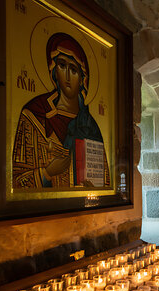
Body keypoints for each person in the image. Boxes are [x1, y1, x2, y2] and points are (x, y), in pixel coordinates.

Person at [12, 33, 110, 188]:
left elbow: (105, 183)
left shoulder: (91, 127)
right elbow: (14, 181)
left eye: (73, 69)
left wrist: (94, 190)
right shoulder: (34, 115)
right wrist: (47, 173)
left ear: (83, 79)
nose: (67, 76)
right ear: (53, 70)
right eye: (62, 66)